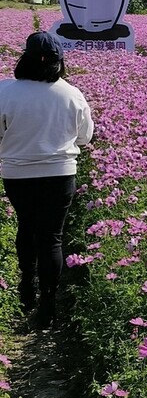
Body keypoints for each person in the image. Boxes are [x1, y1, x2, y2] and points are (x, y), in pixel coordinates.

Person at [0, 31, 94, 329]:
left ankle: (26, 286)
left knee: (27, 226)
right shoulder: (72, 94)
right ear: (59, 63)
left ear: (24, 59)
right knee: (51, 237)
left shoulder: (5, 91)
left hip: (18, 173)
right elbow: (85, 136)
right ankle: (48, 306)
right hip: (60, 174)